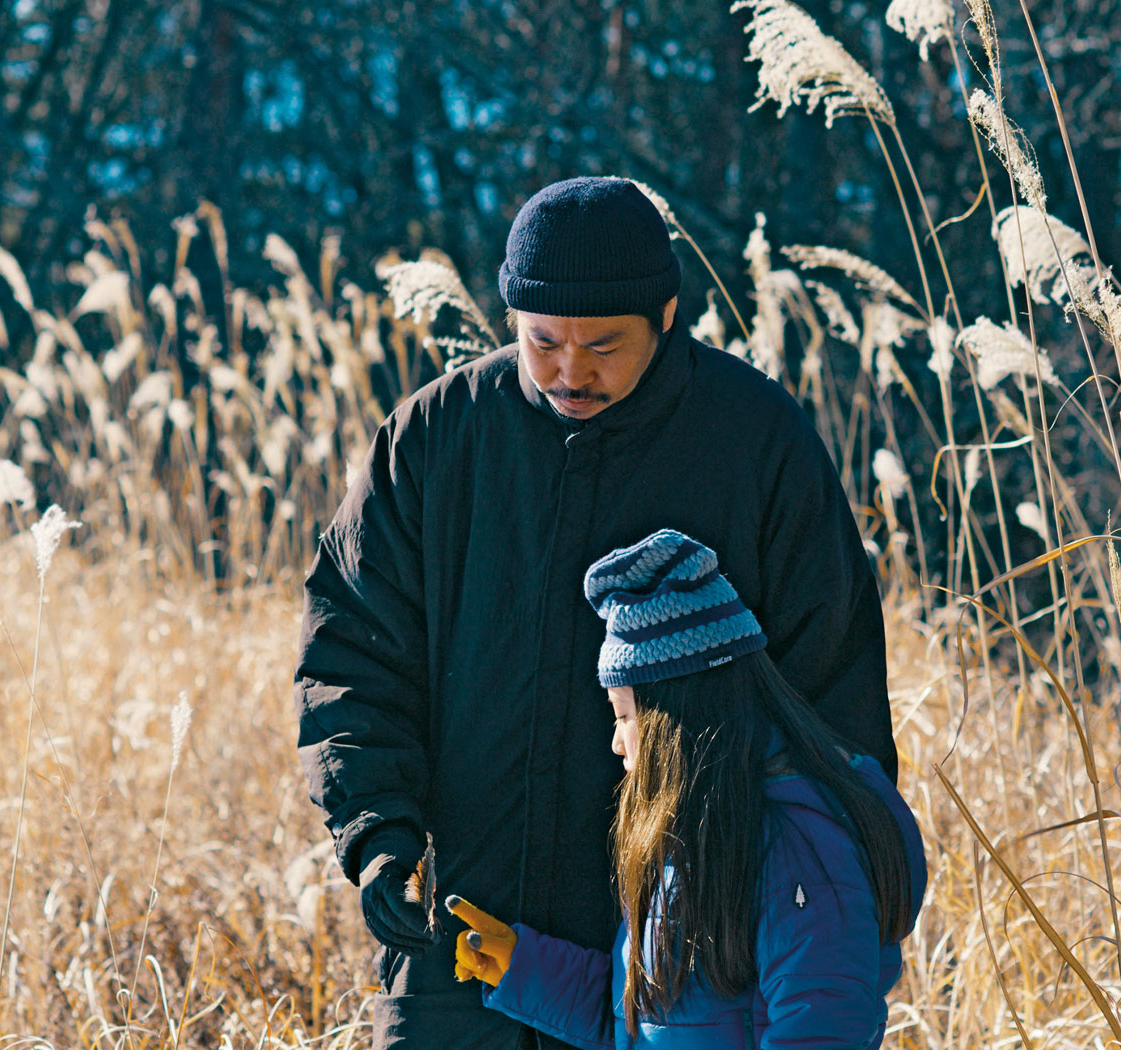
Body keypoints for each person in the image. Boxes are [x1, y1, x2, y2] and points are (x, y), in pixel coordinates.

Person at [294, 176, 896, 1047]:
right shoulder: (435, 440)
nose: (571, 371)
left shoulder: (756, 443)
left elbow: (829, 704)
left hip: (681, 963)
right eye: (542, 342)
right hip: (463, 945)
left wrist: (788, 904)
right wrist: (376, 832)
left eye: (605, 345)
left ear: (668, 313)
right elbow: (352, 656)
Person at [447, 530, 926, 1049]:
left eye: (624, 714)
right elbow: (644, 1024)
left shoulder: (801, 848)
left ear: (672, 720)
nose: (615, 741)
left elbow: (824, 1030)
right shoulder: (697, 839)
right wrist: (524, 969)